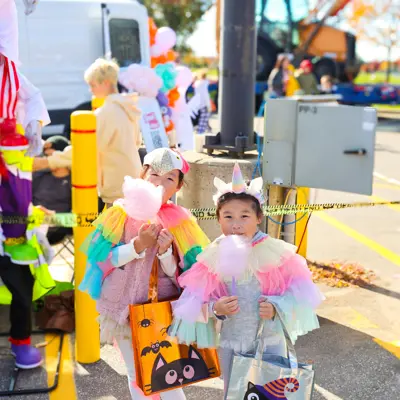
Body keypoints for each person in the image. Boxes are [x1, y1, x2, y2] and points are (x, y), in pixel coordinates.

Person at [169, 163, 323, 399]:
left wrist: (276, 306)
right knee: (235, 392)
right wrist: (215, 308)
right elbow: (191, 306)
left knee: (270, 393)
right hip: (233, 343)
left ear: (259, 217)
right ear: (218, 219)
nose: (236, 224)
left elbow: (303, 297)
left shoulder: (275, 253)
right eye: (228, 216)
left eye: (244, 216)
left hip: (270, 342)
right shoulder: (213, 255)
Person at [79, 148, 210, 400]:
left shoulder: (181, 222)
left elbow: (186, 277)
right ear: (142, 174)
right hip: (122, 309)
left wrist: (164, 254)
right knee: (135, 374)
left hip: (161, 311)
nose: (160, 183)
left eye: (170, 178)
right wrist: (137, 246)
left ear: (179, 186)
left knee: (169, 378)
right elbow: (105, 260)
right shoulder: (120, 213)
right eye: (154, 174)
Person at [0, 0, 55, 370]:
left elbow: (33, 97)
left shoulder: (11, 71)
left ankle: (20, 340)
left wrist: (34, 126)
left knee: (17, 262)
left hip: (11, 189)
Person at [84, 58, 143, 207]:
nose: (91, 90)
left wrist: (50, 161)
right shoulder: (129, 107)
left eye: (92, 85)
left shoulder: (105, 112)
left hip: (116, 184)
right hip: (133, 177)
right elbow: (137, 141)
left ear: (105, 83)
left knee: (116, 229)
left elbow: (88, 147)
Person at [32, 136, 72, 245]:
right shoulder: (39, 176)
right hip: (32, 221)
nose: (47, 161)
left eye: (51, 156)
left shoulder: (75, 181)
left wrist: (53, 216)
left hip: (59, 226)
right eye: (46, 156)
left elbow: (78, 217)